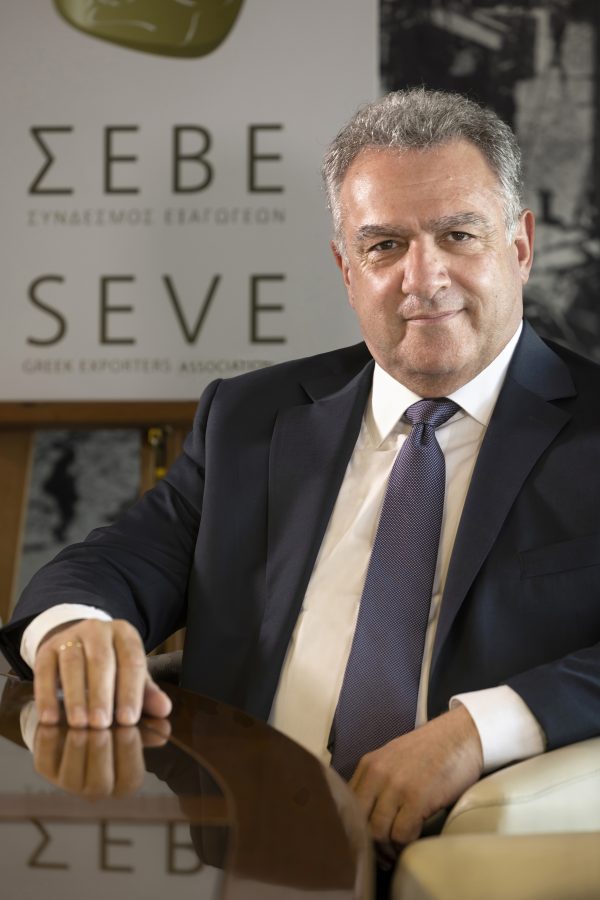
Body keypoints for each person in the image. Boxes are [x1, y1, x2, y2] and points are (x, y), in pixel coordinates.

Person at [1, 88, 599, 857]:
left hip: (480, 864)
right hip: (241, 848)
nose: (424, 277)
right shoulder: (253, 417)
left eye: (458, 235)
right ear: (346, 268)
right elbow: (115, 561)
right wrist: (76, 631)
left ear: (520, 247)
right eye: (384, 246)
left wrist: (477, 732)